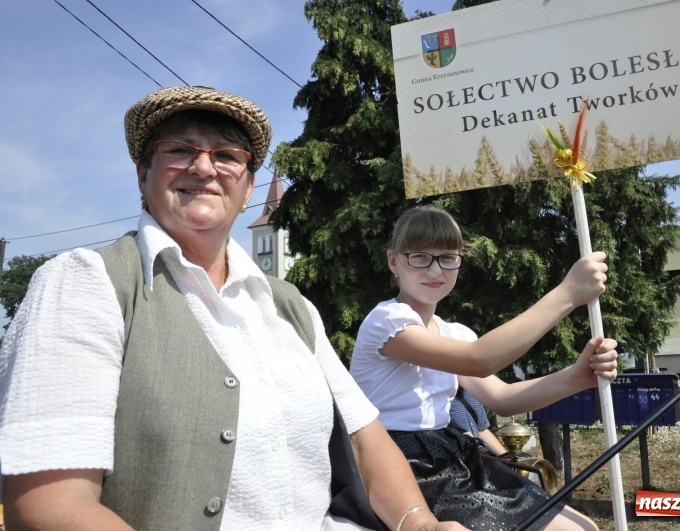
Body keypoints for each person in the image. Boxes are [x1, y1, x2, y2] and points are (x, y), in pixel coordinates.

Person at [0, 86, 467, 531]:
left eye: (226, 155)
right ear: (143, 175)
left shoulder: (290, 305)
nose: (204, 167)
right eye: (179, 149)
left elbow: (365, 438)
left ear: (247, 190)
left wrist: (419, 522)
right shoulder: (86, 282)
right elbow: (48, 508)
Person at [350, 205, 619, 531]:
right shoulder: (387, 321)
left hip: (451, 455)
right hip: (399, 463)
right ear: (394, 262)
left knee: (584, 527)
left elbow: (502, 398)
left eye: (447, 258)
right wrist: (567, 294)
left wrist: (575, 377)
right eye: (419, 257)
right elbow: (478, 360)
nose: (434, 270)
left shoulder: (454, 334)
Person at [448, 387, 507, 456]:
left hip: (476, 457)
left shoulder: (471, 393)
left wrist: (506, 457)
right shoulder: (439, 398)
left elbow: (482, 430)